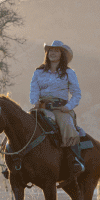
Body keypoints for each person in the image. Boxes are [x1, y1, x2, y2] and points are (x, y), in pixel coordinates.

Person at [29, 40, 84, 177]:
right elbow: (33, 90)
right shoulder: (38, 72)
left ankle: (74, 159)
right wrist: (35, 102)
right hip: (41, 107)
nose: (53, 53)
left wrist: (68, 107)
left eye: (56, 51)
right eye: (51, 50)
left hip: (61, 108)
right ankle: (15, 158)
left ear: (62, 54)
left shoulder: (68, 73)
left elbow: (76, 93)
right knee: (23, 123)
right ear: (47, 53)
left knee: (67, 125)